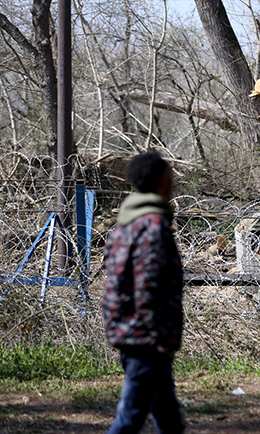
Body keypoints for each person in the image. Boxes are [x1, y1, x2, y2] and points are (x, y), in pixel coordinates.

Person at [102, 152, 185, 434]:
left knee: (169, 419)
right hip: (147, 338)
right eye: (170, 177)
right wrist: (159, 337)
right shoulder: (153, 227)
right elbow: (149, 287)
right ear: (161, 183)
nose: (173, 183)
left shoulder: (124, 227)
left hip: (129, 330)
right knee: (128, 420)